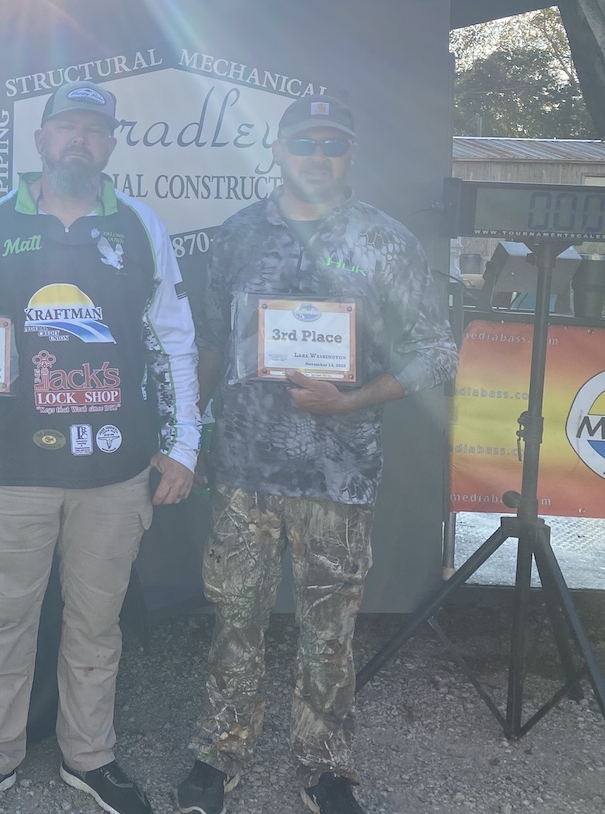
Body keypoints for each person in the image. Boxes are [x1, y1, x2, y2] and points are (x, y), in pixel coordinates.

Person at [175, 95, 457, 814]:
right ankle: (220, 751)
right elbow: (209, 343)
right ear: (278, 150)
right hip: (244, 470)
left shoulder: (384, 241)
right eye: (305, 143)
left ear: (351, 154)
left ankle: (325, 764)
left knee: (329, 631)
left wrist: (353, 400)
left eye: (333, 144)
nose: (318, 156)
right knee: (235, 618)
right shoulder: (237, 235)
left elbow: (436, 351)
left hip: (340, 473)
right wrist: (188, 436)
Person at [0, 80, 201, 814]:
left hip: (114, 470)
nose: (79, 139)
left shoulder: (140, 225)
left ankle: (90, 757)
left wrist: (184, 445)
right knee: (5, 620)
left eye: (94, 129)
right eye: (67, 127)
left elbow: (173, 340)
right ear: (41, 140)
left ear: (110, 144)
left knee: (96, 624)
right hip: (12, 467)